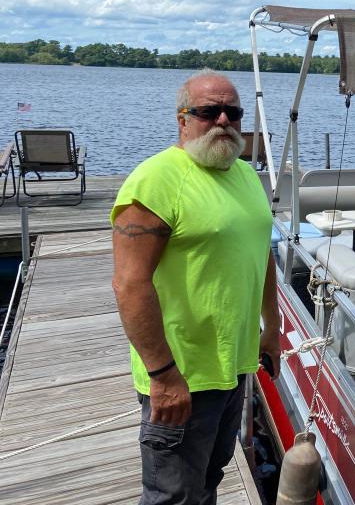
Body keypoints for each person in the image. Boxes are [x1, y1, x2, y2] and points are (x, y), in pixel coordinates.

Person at [111, 69, 279, 505]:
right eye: (209, 111)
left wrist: (272, 328)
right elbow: (130, 284)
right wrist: (162, 375)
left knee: (207, 481)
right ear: (182, 119)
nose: (223, 120)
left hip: (234, 364)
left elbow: (262, 253)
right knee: (173, 494)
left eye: (233, 112)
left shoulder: (243, 174)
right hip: (181, 373)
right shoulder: (155, 181)